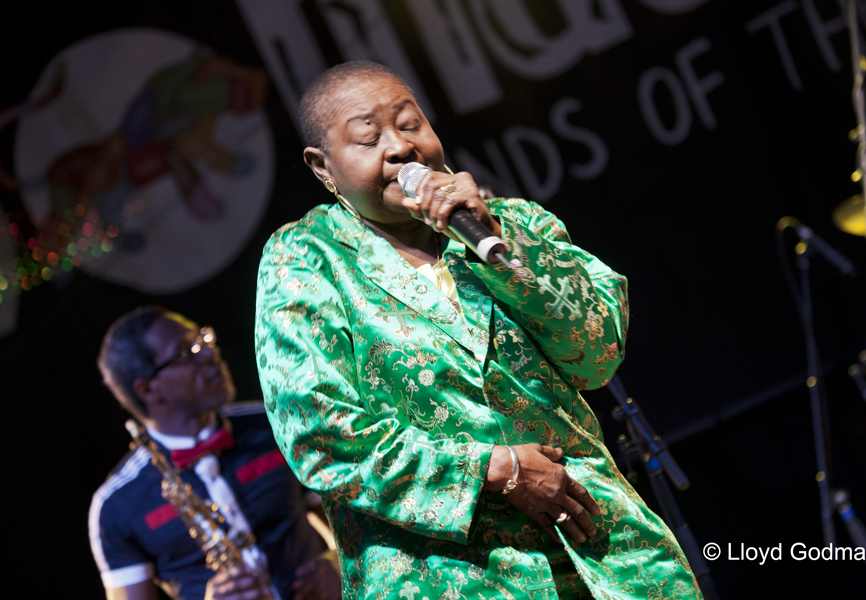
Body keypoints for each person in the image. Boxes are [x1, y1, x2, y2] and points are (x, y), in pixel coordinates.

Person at [254, 61, 702, 600]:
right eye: (368, 139)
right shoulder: (304, 258)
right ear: (323, 167)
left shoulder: (512, 223)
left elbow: (597, 353)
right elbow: (320, 436)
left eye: (410, 123)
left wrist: (500, 245)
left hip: (603, 555)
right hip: (443, 577)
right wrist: (493, 469)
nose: (400, 148)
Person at [90, 307, 341, 600]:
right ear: (148, 390)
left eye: (204, 340)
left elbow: (359, 524)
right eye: (186, 352)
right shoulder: (116, 506)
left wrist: (337, 565)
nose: (210, 354)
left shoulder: (278, 425)